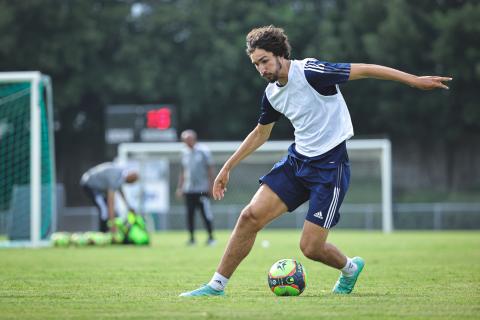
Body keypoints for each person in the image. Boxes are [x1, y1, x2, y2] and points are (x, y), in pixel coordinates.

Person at [180, 25, 452, 297]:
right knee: (249, 216)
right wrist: (227, 166)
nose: (261, 69)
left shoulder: (311, 72)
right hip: (297, 162)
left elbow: (367, 69)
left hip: (330, 168)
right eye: (255, 64)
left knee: (311, 248)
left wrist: (415, 81)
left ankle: (349, 269)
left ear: (279, 54)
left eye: (264, 61)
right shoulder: (272, 94)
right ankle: (216, 286)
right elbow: (261, 133)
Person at [176, 129, 216, 246]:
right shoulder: (184, 153)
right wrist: (180, 187)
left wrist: (211, 186)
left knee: (205, 214)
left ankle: (211, 237)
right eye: (184, 140)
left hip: (202, 189)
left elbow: (210, 169)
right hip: (189, 189)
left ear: (194, 139)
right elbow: (183, 171)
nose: (186, 142)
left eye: (188, 139)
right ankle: (192, 238)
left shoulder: (203, 151)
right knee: (190, 215)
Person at [80, 162, 139, 232]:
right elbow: (110, 202)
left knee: (111, 211)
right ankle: (103, 233)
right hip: (89, 184)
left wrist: (128, 207)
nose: (130, 183)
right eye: (131, 182)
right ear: (130, 178)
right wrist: (112, 224)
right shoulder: (114, 176)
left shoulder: (121, 174)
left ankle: (108, 231)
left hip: (99, 189)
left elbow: (121, 191)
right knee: (104, 211)